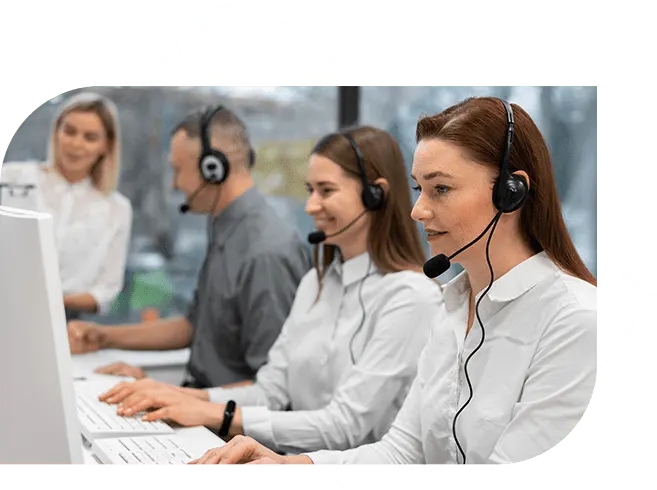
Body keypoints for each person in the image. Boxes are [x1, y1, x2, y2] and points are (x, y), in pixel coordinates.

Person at [185, 97, 597, 466]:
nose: (417, 210)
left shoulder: (575, 321)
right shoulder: (453, 308)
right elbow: (400, 451)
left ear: (512, 193)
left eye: (440, 189)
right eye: (420, 189)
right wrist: (288, 467)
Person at [97, 126, 444, 455]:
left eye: (326, 190)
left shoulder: (411, 298)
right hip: (284, 461)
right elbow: (271, 391)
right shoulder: (315, 284)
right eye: (310, 191)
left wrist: (219, 416)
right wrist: (177, 396)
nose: (311, 206)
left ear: (375, 195)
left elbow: (345, 425)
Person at [67, 105, 312, 389]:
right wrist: (103, 336)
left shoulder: (265, 253)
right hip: (202, 404)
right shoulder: (226, 227)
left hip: (229, 429)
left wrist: (168, 394)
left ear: (213, 169)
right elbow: (194, 327)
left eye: (177, 169)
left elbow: (275, 390)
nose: (174, 184)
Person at [0, 92, 132, 320]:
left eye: (90, 137)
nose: (76, 144)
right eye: (69, 131)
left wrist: (50, 301)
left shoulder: (117, 209)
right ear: (56, 132)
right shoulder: (11, 177)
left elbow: (106, 291)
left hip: (64, 321)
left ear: (106, 145)